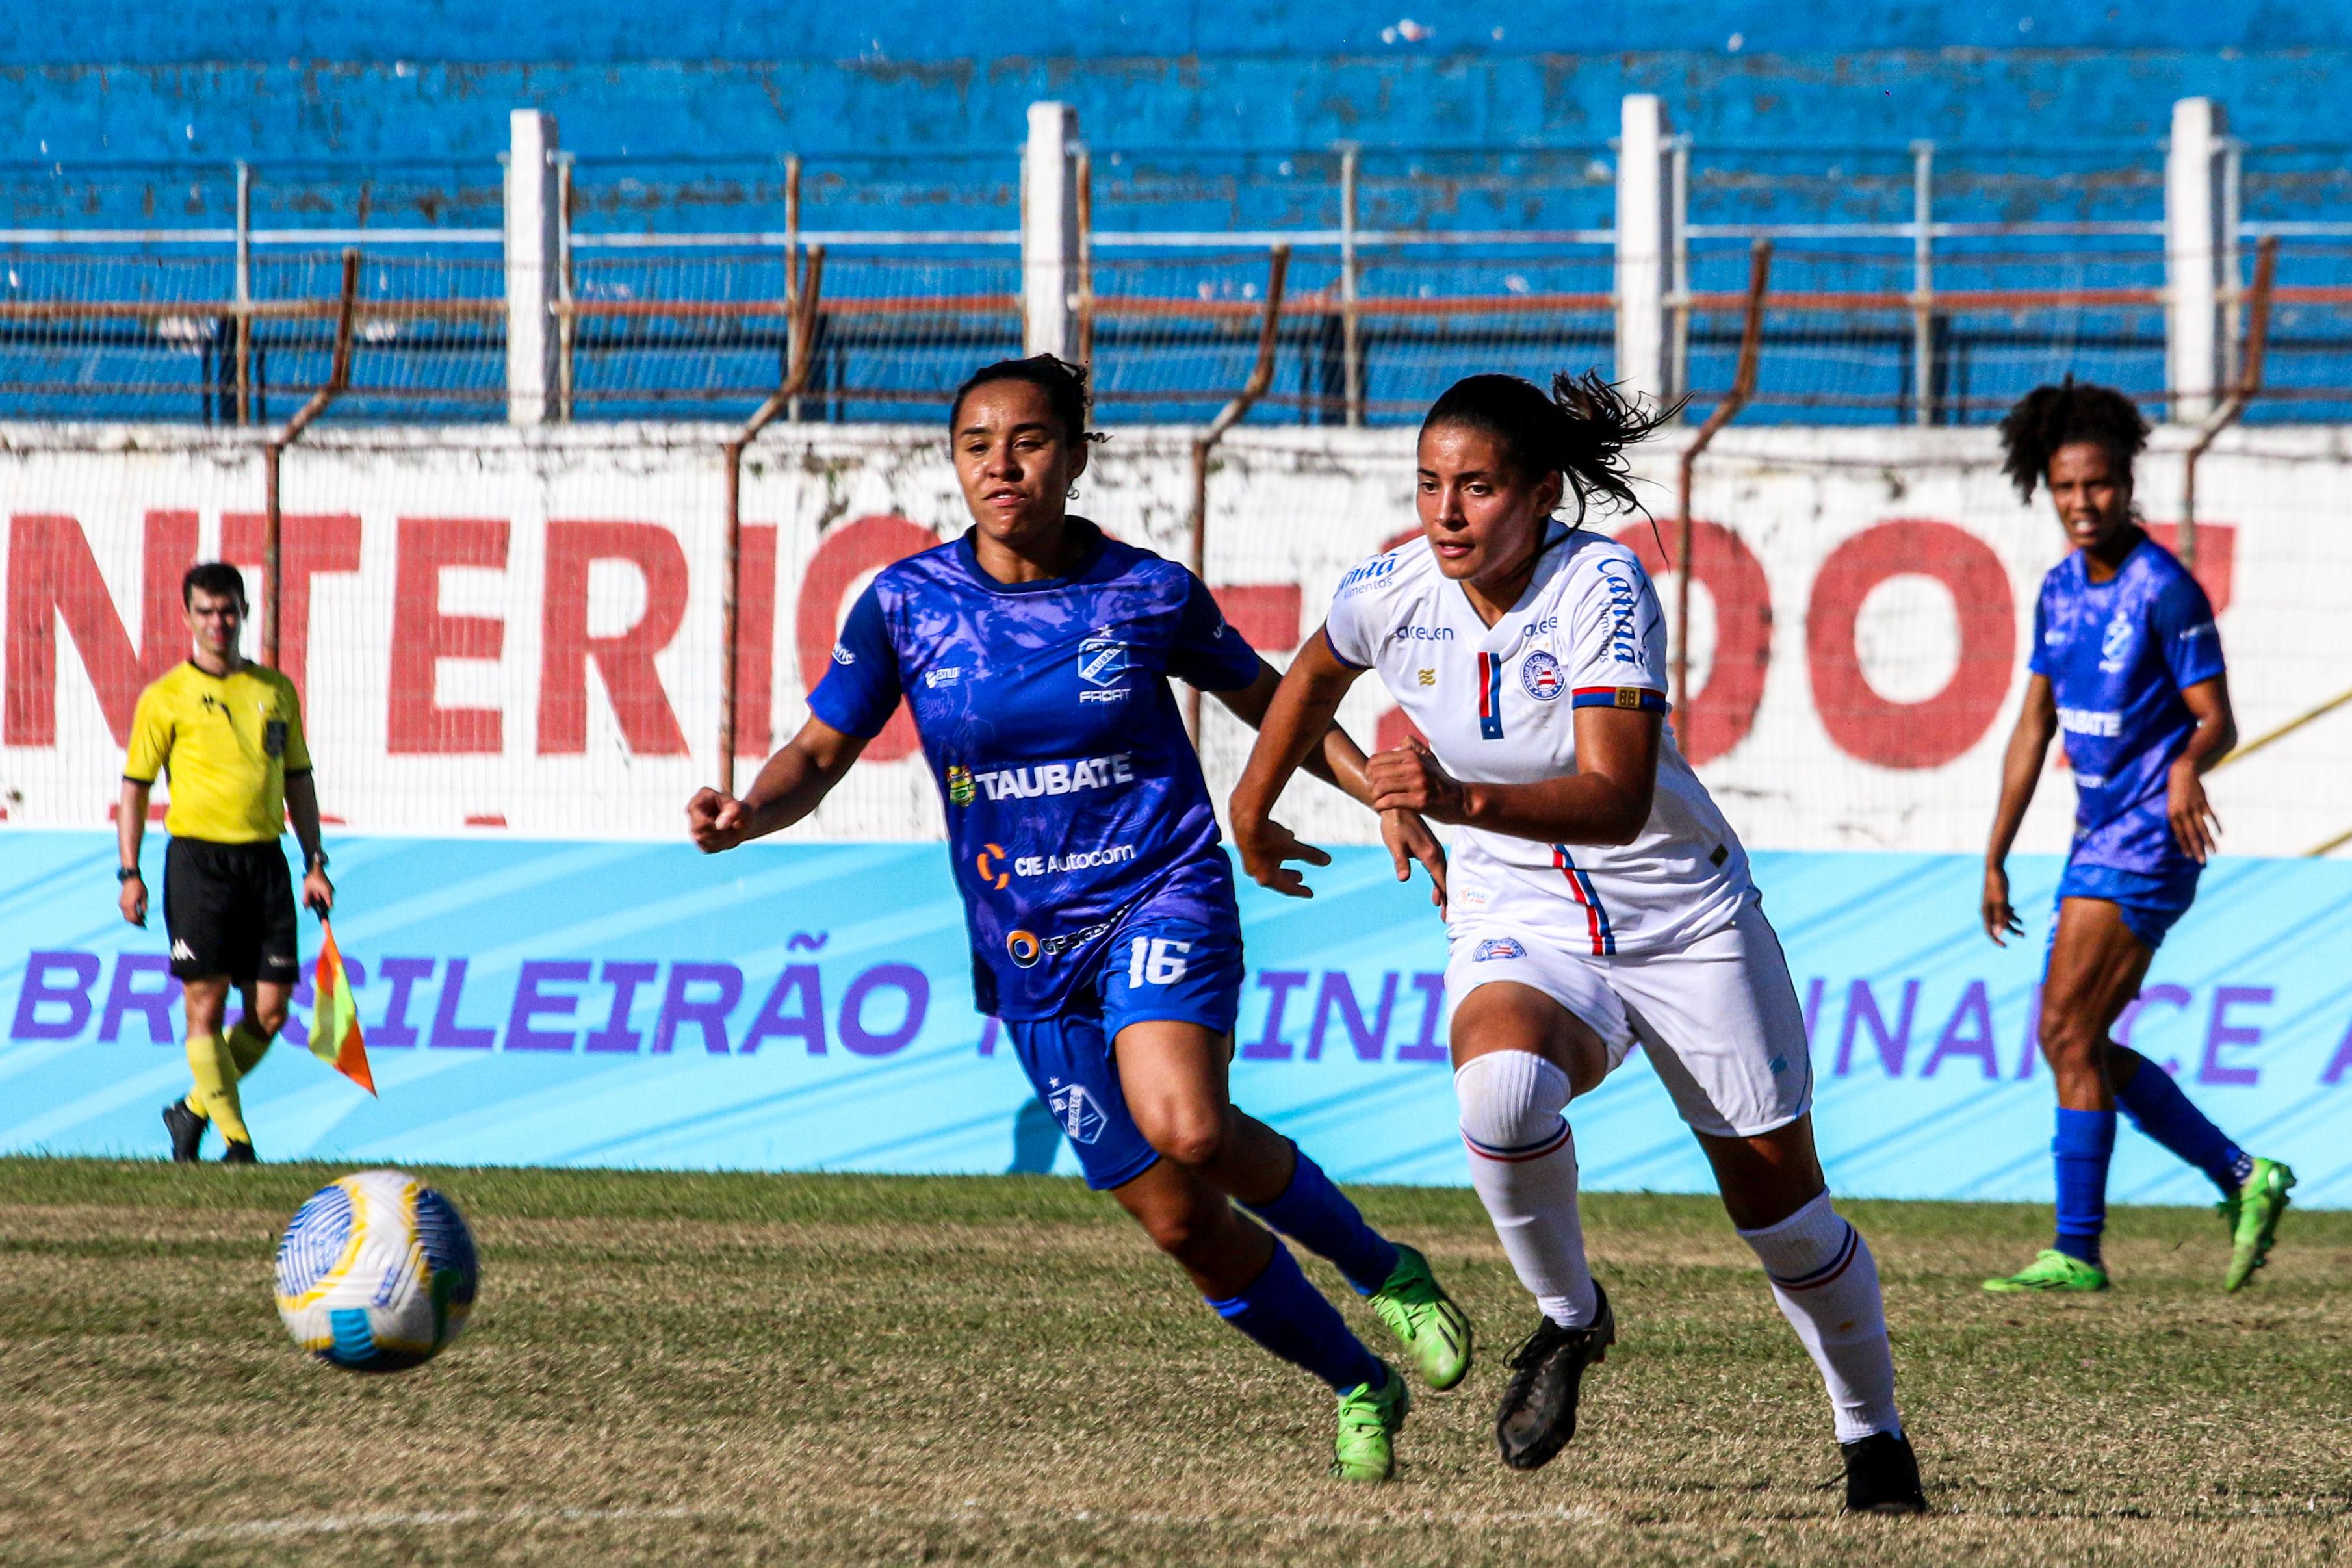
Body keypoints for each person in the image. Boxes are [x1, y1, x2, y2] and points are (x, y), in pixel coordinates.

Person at [686, 354, 1471, 1482]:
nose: (1001, 464)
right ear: (953, 462)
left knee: (1189, 1126)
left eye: (1029, 440)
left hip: (1159, 886)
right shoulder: (906, 604)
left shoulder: (1143, 591)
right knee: (1178, 1222)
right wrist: (744, 811)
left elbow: (1271, 697)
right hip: (1026, 949)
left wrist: (1378, 794)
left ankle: (1385, 1270)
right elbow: (819, 749)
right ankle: (1356, 1379)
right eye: (976, 444)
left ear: (1075, 453)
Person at [1228, 371, 1926, 1514]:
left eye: (1477, 487)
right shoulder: (1392, 587)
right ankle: (1567, 1318)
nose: (1445, 513)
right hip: (1523, 913)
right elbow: (1308, 675)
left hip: (1679, 917)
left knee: (1786, 1223)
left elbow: (1611, 796)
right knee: (1496, 1096)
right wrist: (1251, 807)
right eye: (1429, 484)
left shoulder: (1600, 582)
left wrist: (1450, 795)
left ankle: (1872, 1440)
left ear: (1541, 490)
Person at [1980, 379, 2294, 1295]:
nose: (2083, 504)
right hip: (2091, 837)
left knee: (2064, 1030)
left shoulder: (2163, 588)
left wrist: (2189, 763)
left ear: (2127, 483)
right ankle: (2240, 1173)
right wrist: (1994, 851)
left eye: (2099, 487)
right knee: (2074, 1041)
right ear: (2047, 486)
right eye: (2066, 488)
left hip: (2150, 837)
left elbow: (2216, 719)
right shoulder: (2056, 589)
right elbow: (2032, 726)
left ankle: (2076, 1249)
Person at [120, 562, 335, 1164]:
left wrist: (314, 861)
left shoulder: (275, 689)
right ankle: (238, 1141)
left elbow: (299, 779)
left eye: (229, 609)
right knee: (205, 1004)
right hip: (198, 863)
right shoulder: (165, 697)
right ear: (186, 616)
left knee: (269, 1011)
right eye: (206, 611)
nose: (219, 622)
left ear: (244, 610)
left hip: (265, 862)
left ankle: (192, 1107)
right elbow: (135, 786)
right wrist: (129, 870)